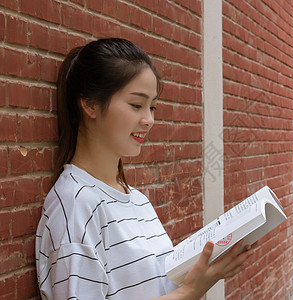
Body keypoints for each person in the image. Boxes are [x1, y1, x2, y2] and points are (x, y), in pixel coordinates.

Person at [35, 38, 252, 300]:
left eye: (152, 107)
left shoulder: (137, 200)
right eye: (137, 105)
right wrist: (191, 291)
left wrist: (206, 270)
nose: (149, 120)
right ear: (90, 104)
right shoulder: (74, 204)